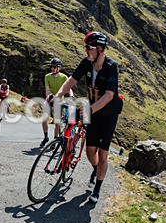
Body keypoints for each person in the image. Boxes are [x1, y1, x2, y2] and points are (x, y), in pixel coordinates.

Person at [53, 31, 123, 203]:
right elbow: (71, 80)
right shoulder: (87, 63)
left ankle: (97, 188)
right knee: (90, 152)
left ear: (99, 49)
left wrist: (89, 110)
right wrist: (58, 94)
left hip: (108, 114)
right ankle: (96, 169)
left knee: (103, 153)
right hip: (92, 111)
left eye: (88, 48)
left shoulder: (111, 66)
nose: (86, 51)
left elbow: (108, 96)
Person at [41, 57, 71, 146]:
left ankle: (55, 140)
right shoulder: (47, 76)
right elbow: (47, 90)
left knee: (57, 123)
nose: (52, 69)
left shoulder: (64, 77)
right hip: (50, 98)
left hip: (59, 101)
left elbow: (68, 88)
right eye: (51, 67)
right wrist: (48, 97)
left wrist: (71, 96)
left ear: (59, 68)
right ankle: (46, 137)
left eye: (54, 67)